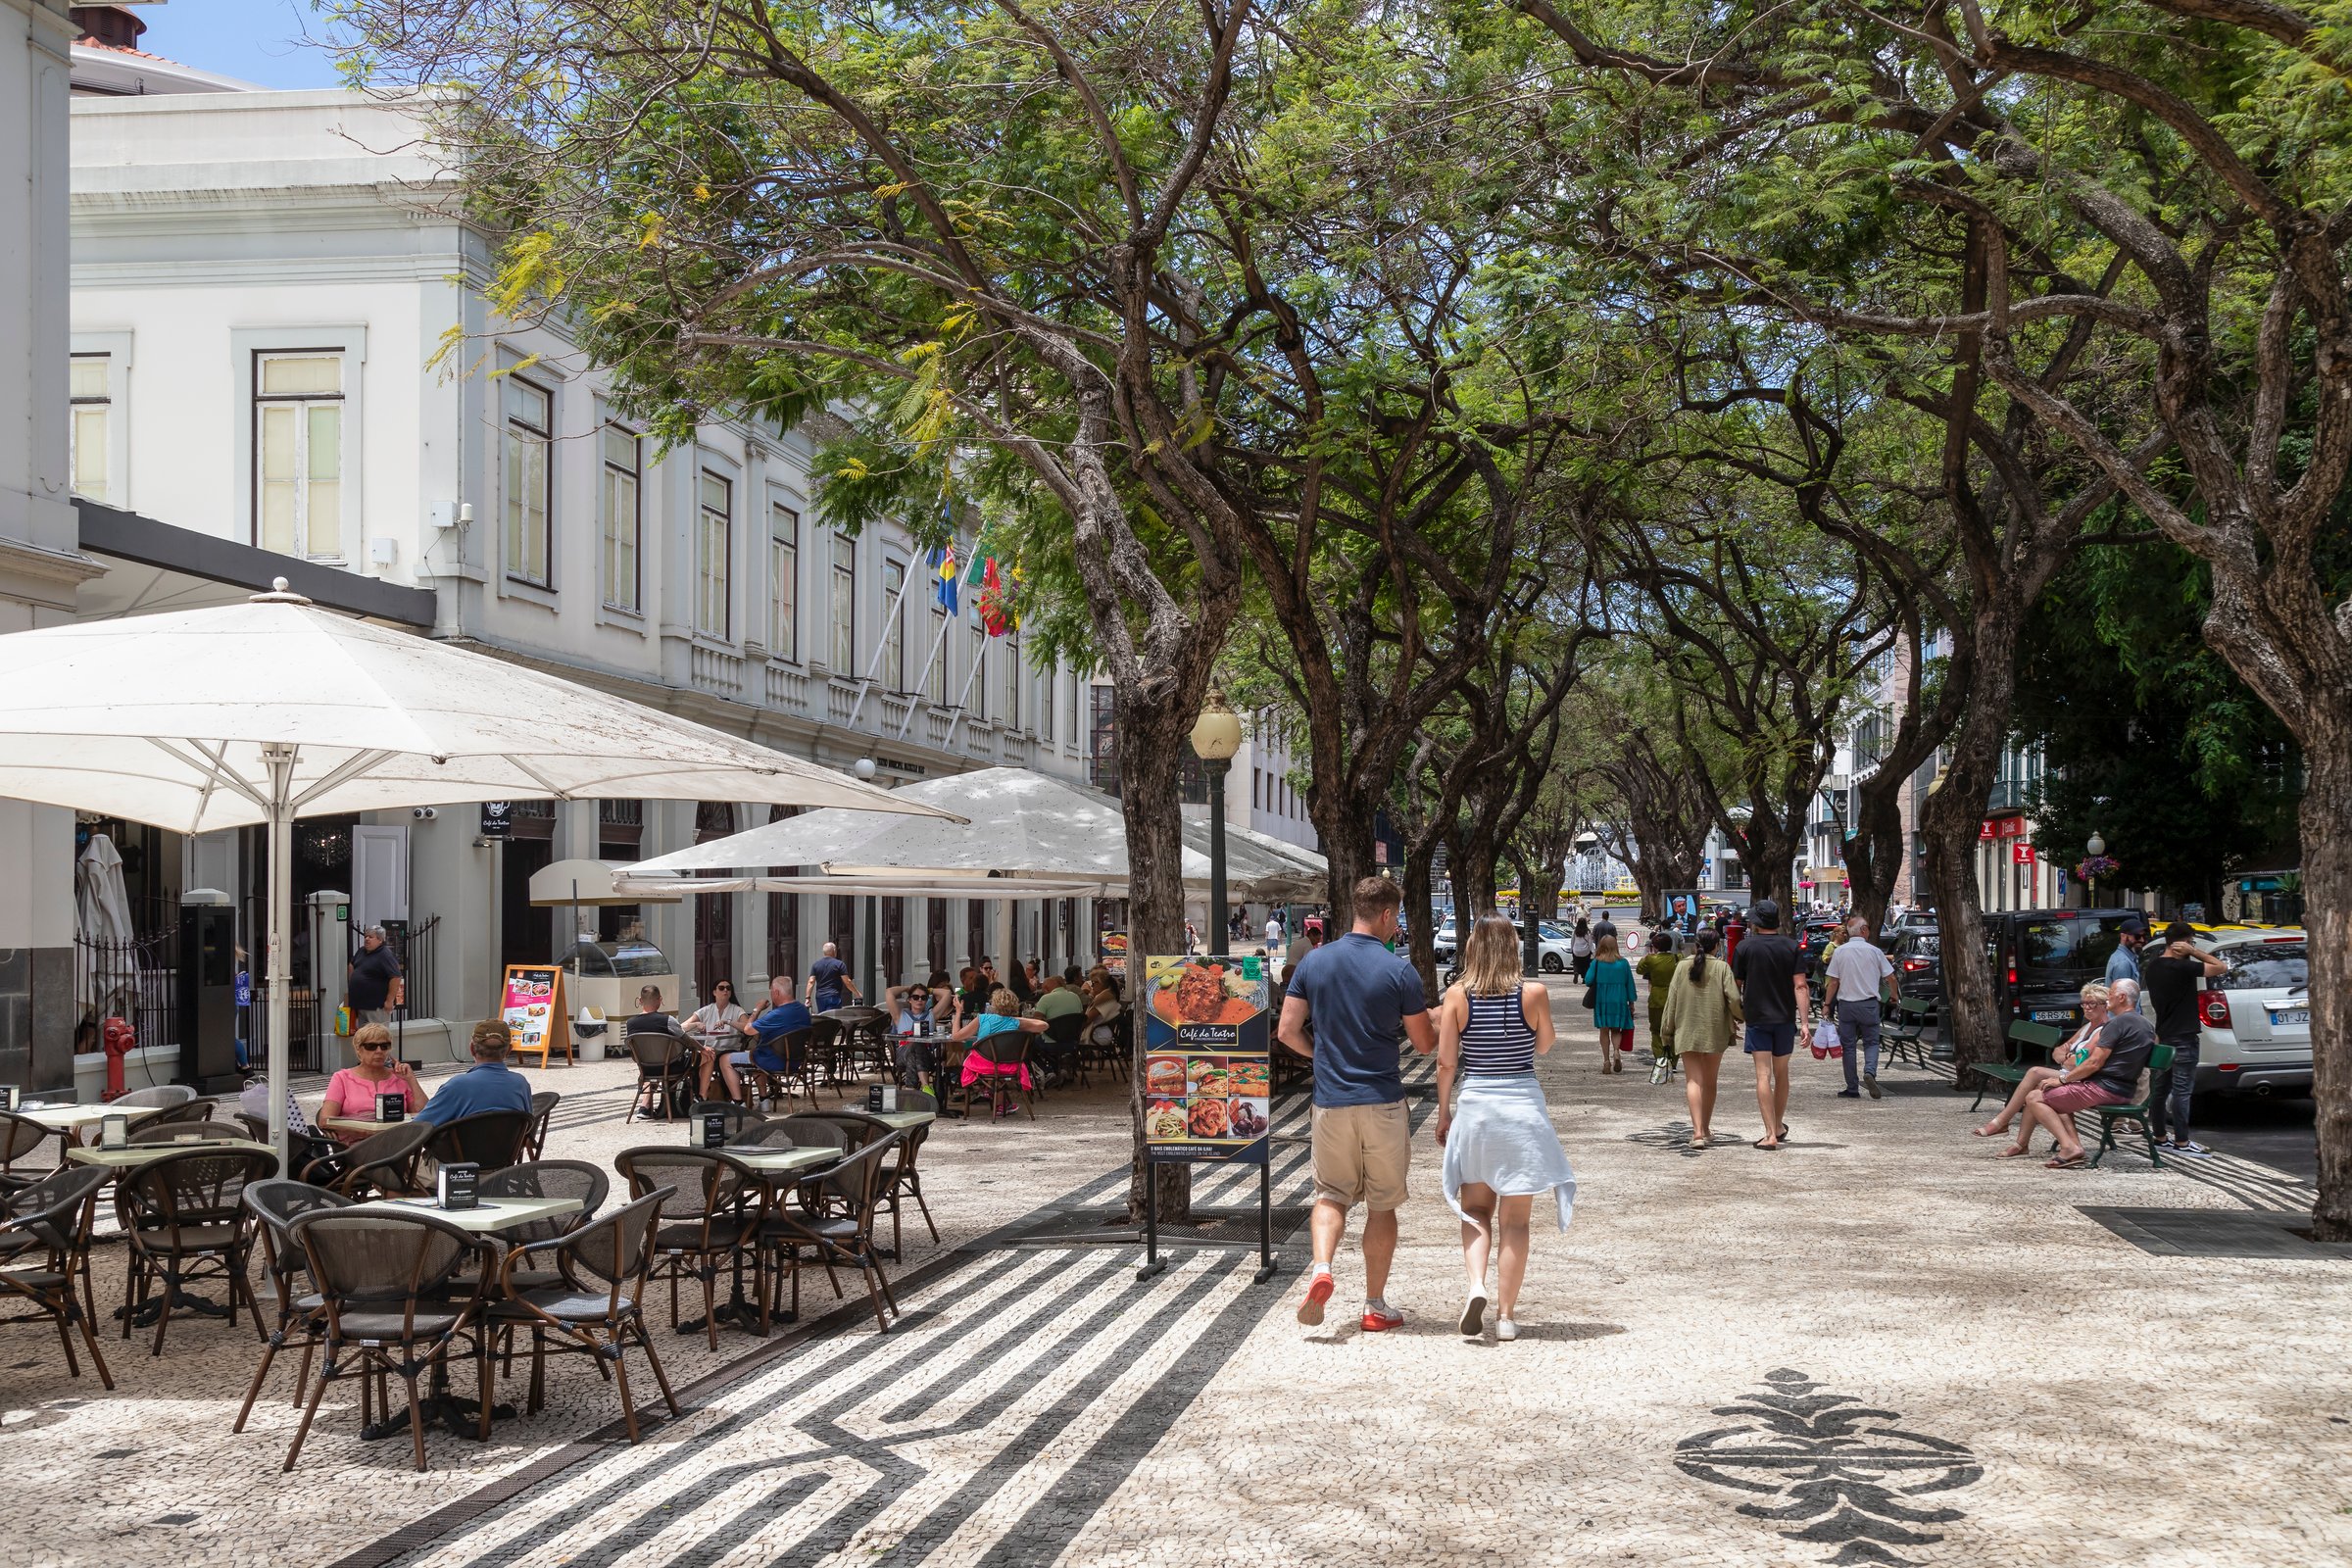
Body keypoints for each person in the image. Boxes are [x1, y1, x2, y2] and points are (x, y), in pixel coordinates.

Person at [1277, 875, 1437, 1334]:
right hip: (1383, 1101)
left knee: (1330, 1195)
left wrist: (1322, 1054)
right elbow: (1423, 1043)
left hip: (1331, 1102)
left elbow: (1287, 1031)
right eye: (1397, 918)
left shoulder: (1315, 963)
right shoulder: (1399, 971)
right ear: (1387, 915)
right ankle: (1374, 1305)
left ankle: (1322, 1269)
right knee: (1382, 1206)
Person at [1432, 913, 1574, 1343]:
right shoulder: (1533, 992)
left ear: (1473, 946)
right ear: (1514, 946)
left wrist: (1443, 1113)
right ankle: (1507, 1316)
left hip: (1477, 1107)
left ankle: (1476, 1284)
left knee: (1476, 1211)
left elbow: (1446, 1062)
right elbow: (1545, 1046)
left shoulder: (1458, 995)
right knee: (1517, 1223)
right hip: (1522, 1110)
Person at [2022, 978, 2156, 1169]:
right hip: (2125, 1089)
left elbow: (2094, 1063)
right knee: (2055, 1096)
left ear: (2122, 997)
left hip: (2105, 1088)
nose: (2108, 997)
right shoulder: (2146, 1024)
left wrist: (2063, 1079)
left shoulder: (2116, 1024)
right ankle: (2074, 1147)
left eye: (2111, 994)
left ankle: (2070, 1147)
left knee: (2035, 1096)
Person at [1975, 983, 2115, 1153]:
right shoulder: (2086, 1027)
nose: (2086, 1008)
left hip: (2081, 1078)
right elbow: (2059, 1050)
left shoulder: (2103, 1030)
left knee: (2036, 1079)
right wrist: (2066, 1057)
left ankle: (2005, 1126)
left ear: (2104, 1006)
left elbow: (2080, 1061)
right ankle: (2017, 1140)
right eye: (2084, 1003)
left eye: (2092, 1004)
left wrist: (2067, 1058)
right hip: (2069, 1074)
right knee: (2035, 1079)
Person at [2139, 921, 2226, 1156]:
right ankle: (2182, 1142)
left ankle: (2159, 1136)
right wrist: (2195, 953)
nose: (2192, 947)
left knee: (2160, 1090)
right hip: (2185, 1036)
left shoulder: (2154, 967)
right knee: (2182, 1090)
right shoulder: (2183, 968)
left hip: (2165, 1034)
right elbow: (2220, 967)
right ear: (2183, 943)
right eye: (2191, 942)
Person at [1731, 899, 1809, 1151]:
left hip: (1757, 1018)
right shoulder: (1791, 946)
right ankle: (1777, 1125)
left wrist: (1733, 1015)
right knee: (1782, 1074)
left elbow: (1736, 986)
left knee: (1762, 1075)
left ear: (1756, 922)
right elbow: (1800, 985)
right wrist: (1805, 1023)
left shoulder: (1744, 948)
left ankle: (1769, 1133)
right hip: (1784, 1018)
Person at [1658, 928, 1742, 1147]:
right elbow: (1733, 997)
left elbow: (1672, 1001)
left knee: (1693, 1080)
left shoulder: (1681, 966)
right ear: (1717, 946)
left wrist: (1666, 1032)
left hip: (1687, 1029)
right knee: (1710, 1082)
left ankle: (1696, 1133)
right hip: (1715, 1030)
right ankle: (1705, 1128)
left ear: (1696, 945)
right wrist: (1739, 1016)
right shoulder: (1722, 967)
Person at [1823, 914, 1897, 1101]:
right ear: (1863, 931)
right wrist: (1894, 996)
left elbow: (1833, 982)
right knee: (1871, 1042)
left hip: (1846, 1005)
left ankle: (1852, 1088)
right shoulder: (1874, 951)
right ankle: (1870, 1071)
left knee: (1848, 1046)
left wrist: (1826, 1004)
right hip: (1869, 1005)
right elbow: (1891, 977)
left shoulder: (1840, 952)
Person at [315, 1020, 423, 1142]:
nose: (379, 1051)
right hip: (356, 1146)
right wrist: (363, 1130)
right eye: (371, 1046)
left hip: (396, 1144)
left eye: (384, 1046)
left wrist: (411, 1080)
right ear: (358, 1049)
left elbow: (424, 1114)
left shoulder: (400, 1078)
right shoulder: (342, 1078)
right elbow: (325, 1120)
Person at [414, 1018, 534, 1126]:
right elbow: (528, 1129)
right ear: (508, 1051)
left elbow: (419, 1127)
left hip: (462, 1151)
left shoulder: (457, 1085)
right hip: (508, 1151)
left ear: (472, 1049)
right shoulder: (520, 1084)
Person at [953, 986, 1049, 1111]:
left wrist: (958, 1012)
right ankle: (999, 1103)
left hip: (983, 1064)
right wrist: (1016, 1019)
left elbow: (956, 1036)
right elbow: (1044, 1025)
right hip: (1007, 1065)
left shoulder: (982, 1019)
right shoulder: (1016, 1022)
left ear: (993, 1004)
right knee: (998, 1064)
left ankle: (987, 1091)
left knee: (986, 1059)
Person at [723, 976, 812, 1102]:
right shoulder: (803, 1011)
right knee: (755, 1054)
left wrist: (757, 1009)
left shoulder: (777, 1014)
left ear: (776, 992)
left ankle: (738, 1102)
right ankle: (763, 1100)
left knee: (725, 1059)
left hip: (773, 1060)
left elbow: (748, 1030)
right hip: (796, 1061)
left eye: (771, 991)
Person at [1636, 925, 1684, 1085]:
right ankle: (1674, 1061)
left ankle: (1661, 1059)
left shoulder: (1651, 959)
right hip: (1675, 998)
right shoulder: (1679, 958)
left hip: (1656, 998)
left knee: (1656, 1031)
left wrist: (1647, 956)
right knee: (1675, 1031)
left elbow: (1640, 970)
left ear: (1655, 947)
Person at [1587, 921, 1637, 1074]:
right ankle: (1616, 1051)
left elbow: (1588, 980)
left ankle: (1606, 1060)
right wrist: (1631, 1002)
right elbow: (1630, 984)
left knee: (1604, 1031)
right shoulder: (1623, 963)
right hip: (1619, 999)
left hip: (1602, 999)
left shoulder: (1597, 963)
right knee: (1616, 1029)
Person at [683, 979, 747, 1101]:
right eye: (721, 988)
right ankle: (702, 1096)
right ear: (714, 992)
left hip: (729, 1049)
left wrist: (729, 1022)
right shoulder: (706, 1010)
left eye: (728, 988)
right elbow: (682, 1027)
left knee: (709, 1054)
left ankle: (702, 1096)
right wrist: (696, 1024)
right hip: (710, 1049)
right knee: (708, 1054)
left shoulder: (737, 1010)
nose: (726, 990)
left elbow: (747, 1027)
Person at [346, 925, 404, 1029]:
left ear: (380, 940)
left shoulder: (385, 955)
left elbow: (396, 977)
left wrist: (389, 1000)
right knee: (364, 1037)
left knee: (377, 1036)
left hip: (376, 1006)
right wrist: (353, 982)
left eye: (370, 937)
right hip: (360, 1005)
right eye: (365, 936)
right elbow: (352, 964)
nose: (366, 939)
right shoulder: (362, 951)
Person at [806, 942, 859, 1012]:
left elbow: (811, 981)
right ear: (834, 950)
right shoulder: (839, 964)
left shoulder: (816, 965)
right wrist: (857, 993)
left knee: (823, 1017)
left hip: (820, 997)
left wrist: (808, 997)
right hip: (833, 996)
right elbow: (847, 981)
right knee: (832, 1018)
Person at [2105, 918, 2147, 986]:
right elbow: (2122, 995)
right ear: (2123, 936)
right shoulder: (2123, 963)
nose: (2142, 940)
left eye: (2144, 936)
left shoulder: (2125, 957)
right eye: (2137, 936)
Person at [1569, 917, 1594, 983]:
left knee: (1576, 963)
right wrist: (1593, 951)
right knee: (1585, 965)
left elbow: (1572, 940)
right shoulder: (1587, 931)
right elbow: (1590, 942)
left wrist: (1571, 949)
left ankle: (1576, 972)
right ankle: (1584, 978)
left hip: (1576, 950)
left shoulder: (1575, 931)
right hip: (1585, 951)